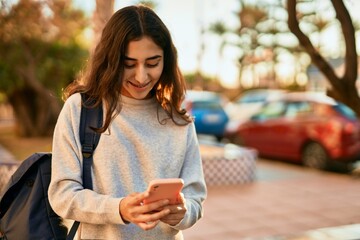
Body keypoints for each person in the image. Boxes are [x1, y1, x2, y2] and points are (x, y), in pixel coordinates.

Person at [48, 4, 207, 240]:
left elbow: (195, 198)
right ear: (110, 60)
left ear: (167, 60)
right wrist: (119, 209)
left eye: (152, 63)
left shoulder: (179, 119)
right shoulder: (81, 109)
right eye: (129, 64)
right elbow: (62, 194)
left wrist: (182, 213)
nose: (141, 76)